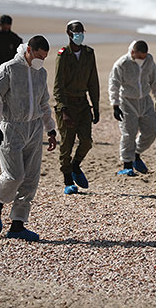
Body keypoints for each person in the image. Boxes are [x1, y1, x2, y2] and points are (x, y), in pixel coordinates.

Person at [0, 36, 57, 242]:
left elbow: (43, 104)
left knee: (30, 179)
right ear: (29, 50)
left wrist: (50, 129)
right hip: (11, 127)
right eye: (39, 56)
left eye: (45, 57)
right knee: (14, 175)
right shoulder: (9, 69)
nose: (41, 60)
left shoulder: (41, 73)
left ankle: (17, 225)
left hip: (33, 129)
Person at [54, 20, 100, 195]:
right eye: (76, 32)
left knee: (86, 141)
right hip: (67, 105)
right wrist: (63, 110)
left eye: (81, 31)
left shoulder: (89, 53)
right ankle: (67, 178)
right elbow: (58, 85)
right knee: (67, 143)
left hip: (83, 104)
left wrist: (96, 107)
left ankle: (75, 165)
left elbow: (93, 82)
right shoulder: (63, 55)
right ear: (69, 34)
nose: (79, 35)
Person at [109, 40, 156, 176]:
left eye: (144, 57)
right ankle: (127, 164)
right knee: (129, 133)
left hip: (145, 100)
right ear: (133, 53)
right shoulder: (122, 64)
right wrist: (115, 104)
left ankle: (136, 154)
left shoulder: (149, 61)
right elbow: (114, 84)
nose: (142, 60)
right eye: (140, 57)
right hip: (127, 101)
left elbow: (154, 79)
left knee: (151, 131)